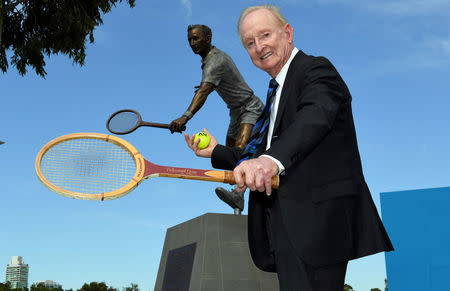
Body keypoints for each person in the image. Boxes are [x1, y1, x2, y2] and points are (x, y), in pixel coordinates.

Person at [184, 5, 394, 291]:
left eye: (265, 35)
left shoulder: (316, 70)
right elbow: (261, 152)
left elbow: (314, 118)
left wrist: (269, 161)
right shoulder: (273, 95)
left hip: (317, 225)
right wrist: (217, 151)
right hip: (281, 224)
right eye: (250, 42)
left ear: (288, 33)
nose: (259, 46)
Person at [170, 24, 264, 213]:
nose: (192, 43)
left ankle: (239, 193)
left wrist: (185, 117)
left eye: (196, 38)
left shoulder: (215, 61)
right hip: (235, 112)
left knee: (239, 153)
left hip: (250, 108)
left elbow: (204, 91)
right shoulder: (209, 61)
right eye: (189, 40)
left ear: (208, 38)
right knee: (229, 155)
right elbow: (206, 87)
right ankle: (239, 192)